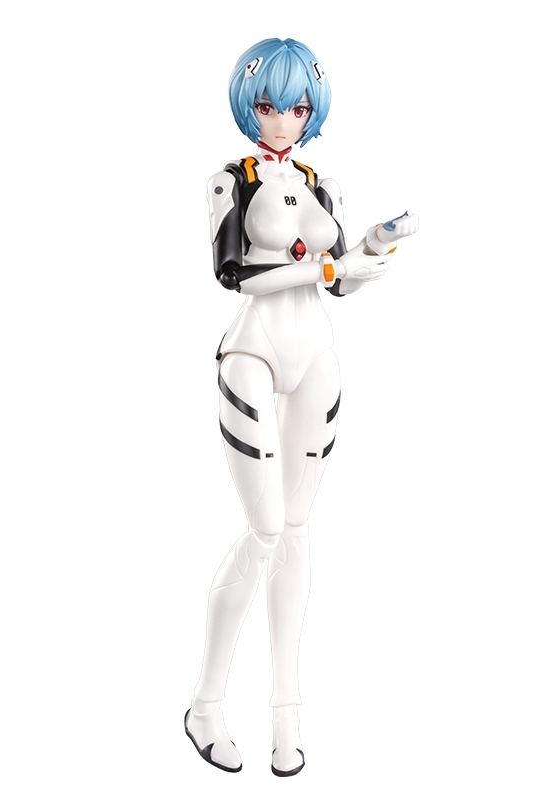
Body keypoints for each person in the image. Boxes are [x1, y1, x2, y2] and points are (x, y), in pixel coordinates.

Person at [184, 38, 418, 777]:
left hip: (315, 355)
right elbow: (234, 273)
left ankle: (286, 716)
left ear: (313, 110)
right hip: (251, 354)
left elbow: (337, 280)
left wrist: (371, 250)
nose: (283, 119)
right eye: (268, 104)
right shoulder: (230, 179)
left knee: (295, 532)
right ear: (247, 105)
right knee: (262, 531)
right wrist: (324, 266)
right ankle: (206, 706)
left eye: (296, 106)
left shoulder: (322, 183)